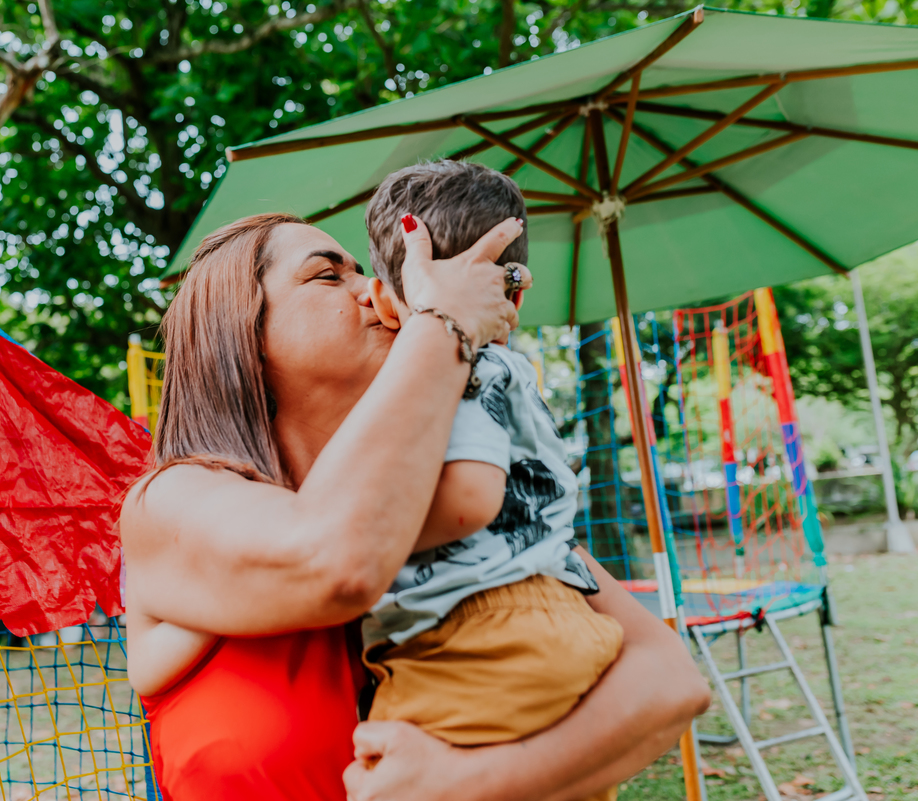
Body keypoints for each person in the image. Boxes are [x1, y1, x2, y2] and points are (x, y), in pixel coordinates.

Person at [121, 209, 710, 801]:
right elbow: (335, 561)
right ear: (240, 330)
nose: (379, 291)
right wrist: (444, 320)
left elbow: (671, 682)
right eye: (329, 276)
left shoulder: (457, 491)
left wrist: (471, 783)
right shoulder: (167, 503)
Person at [357, 161, 623, 773]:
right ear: (518, 295)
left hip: (481, 639)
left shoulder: (457, 366)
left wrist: (354, 534)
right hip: (552, 617)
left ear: (382, 302)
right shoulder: (513, 370)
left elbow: (468, 500)